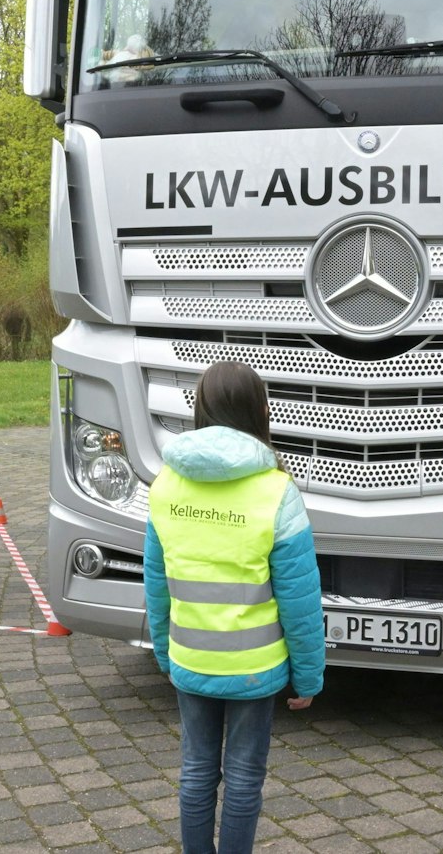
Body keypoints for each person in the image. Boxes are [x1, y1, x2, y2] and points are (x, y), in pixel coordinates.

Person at [144, 360, 324, 854]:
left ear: (200, 408)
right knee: (244, 777)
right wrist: (308, 676)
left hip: (191, 658)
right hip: (254, 667)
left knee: (196, 770)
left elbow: (156, 585)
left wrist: (166, 652)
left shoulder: (165, 487)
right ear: (258, 410)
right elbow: (300, 598)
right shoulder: (276, 491)